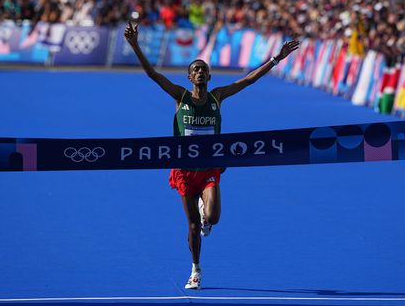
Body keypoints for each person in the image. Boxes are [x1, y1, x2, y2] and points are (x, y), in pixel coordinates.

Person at [124, 21, 299, 290]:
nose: (201, 72)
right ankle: (195, 269)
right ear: (189, 77)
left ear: (209, 77)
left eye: (204, 69)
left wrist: (277, 58)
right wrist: (135, 45)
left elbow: (248, 79)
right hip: (183, 169)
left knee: (213, 218)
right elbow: (153, 75)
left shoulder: (217, 97)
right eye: (196, 70)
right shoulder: (180, 97)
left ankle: (207, 212)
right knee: (194, 226)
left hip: (209, 168)